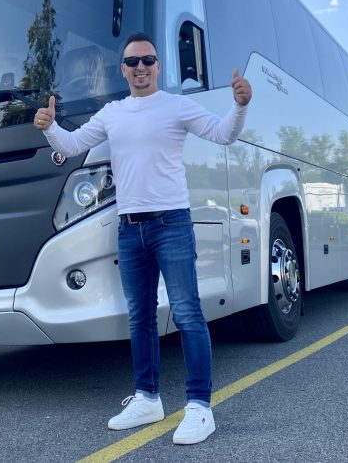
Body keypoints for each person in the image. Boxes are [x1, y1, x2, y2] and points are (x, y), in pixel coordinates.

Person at [33, 32, 252, 445]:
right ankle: (148, 398)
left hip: (172, 225)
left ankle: (200, 407)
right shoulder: (112, 113)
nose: (140, 68)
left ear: (158, 66)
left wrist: (239, 106)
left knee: (187, 313)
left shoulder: (175, 106)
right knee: (140, 317)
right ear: (123, 69)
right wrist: (49, 128)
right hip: (129, 228)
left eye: (147, 60)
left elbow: (223, 133)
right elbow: (73, 144)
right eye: (132, 62)